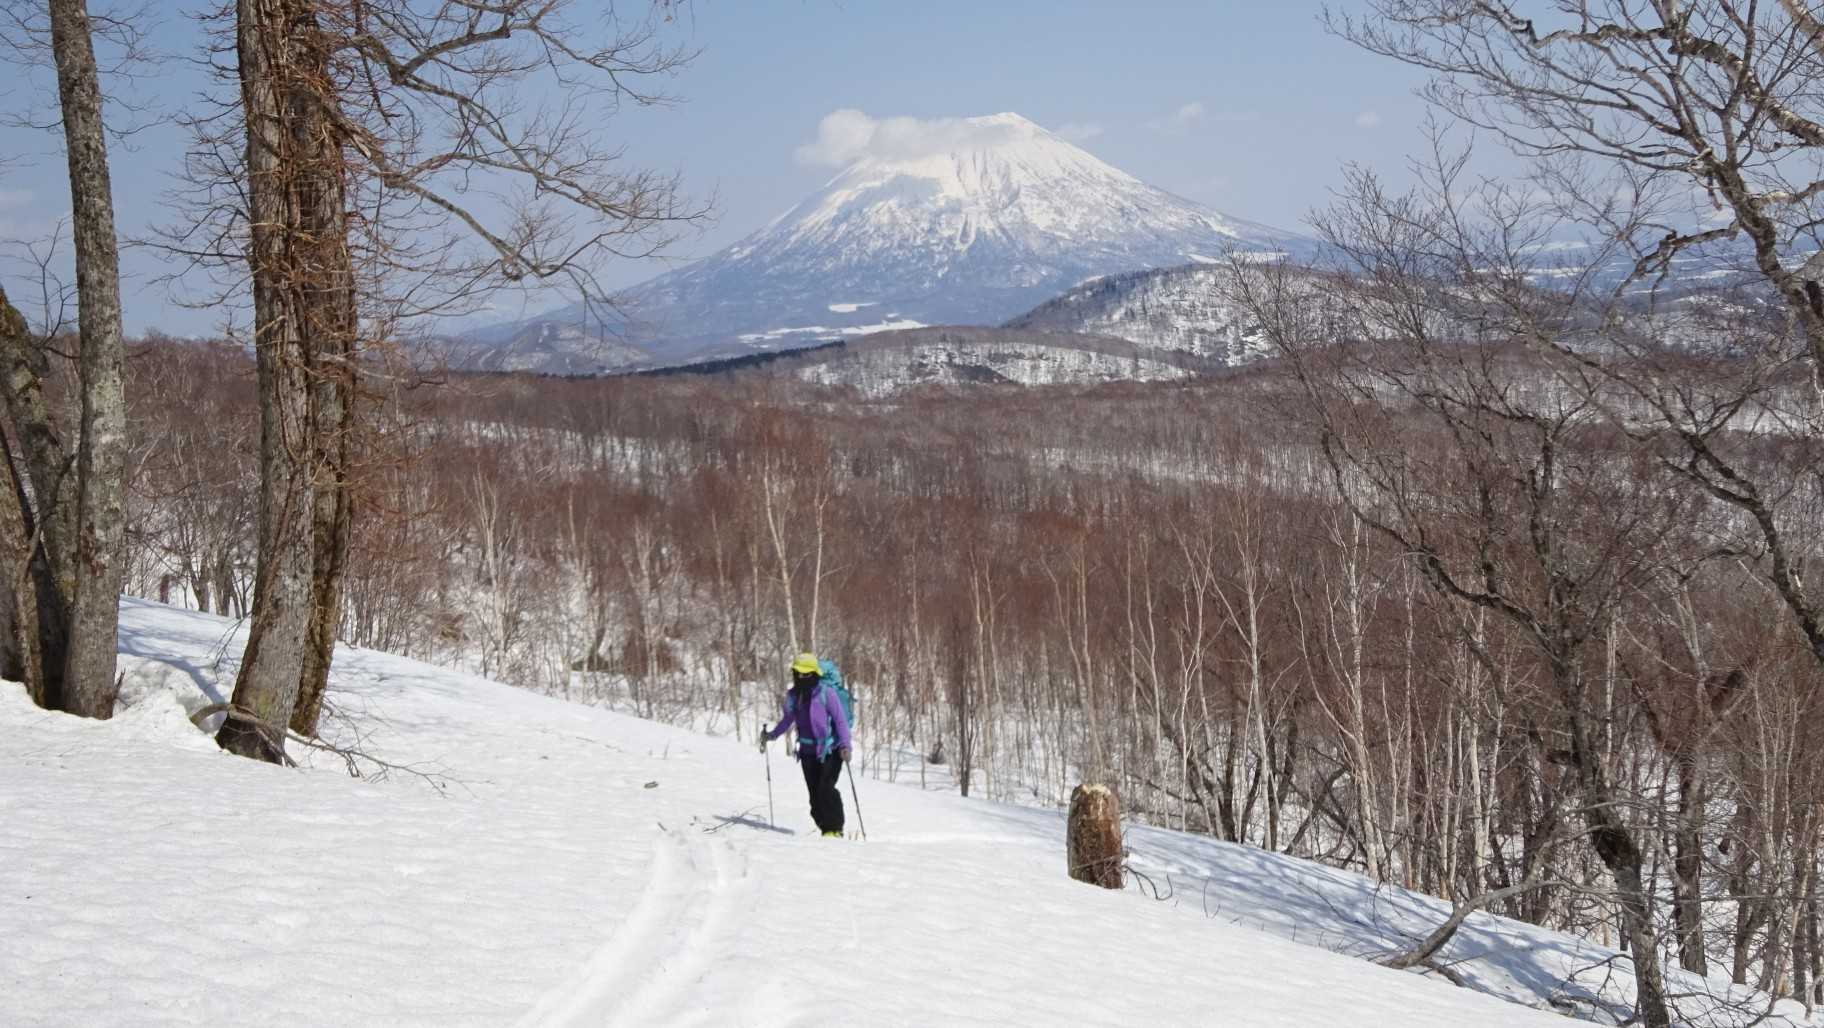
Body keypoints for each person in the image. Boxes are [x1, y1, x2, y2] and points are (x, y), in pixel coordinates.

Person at [760, 652, 852, 837]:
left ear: (815, 674)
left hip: (831, 750)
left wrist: (845, 746)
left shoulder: (826, 693)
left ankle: (835, 829)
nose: (802, 677)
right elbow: (787, 720)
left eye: (806, 674)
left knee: (826, 789)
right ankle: (826, 829)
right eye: (798, 673)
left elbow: (840, 720)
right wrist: (772, 735)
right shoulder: (794, 696)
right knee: (814, 797)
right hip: (807, 752)